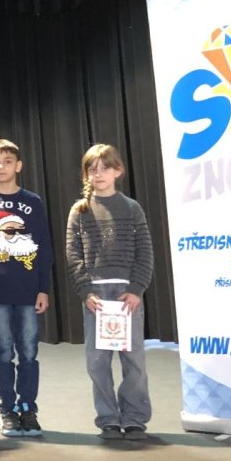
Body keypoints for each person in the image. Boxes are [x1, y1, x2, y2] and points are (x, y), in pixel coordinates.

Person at [65, 143, 155, 440]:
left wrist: (136, 289)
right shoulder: (79, 211)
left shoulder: (132, 208)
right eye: (92, 169)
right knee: (97, 361)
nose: (99, 174)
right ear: (86, 175)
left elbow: (145, 252)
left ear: (118, 171)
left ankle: (135, 418)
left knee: (133, 359)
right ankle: (108, 419)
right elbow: (73, 255)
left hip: (126, 295)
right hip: (96, 297)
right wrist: (85, 291)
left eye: (105, 168)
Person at [0, 139, 53, 438]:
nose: (1, 166)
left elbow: (44, 247)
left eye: (7, 161)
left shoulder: (33, 202)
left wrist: (43, 288)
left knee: (28, 352)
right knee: (3, 353)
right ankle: (7, 409)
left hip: (28, 292)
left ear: (18, 165)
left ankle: (28, 408)